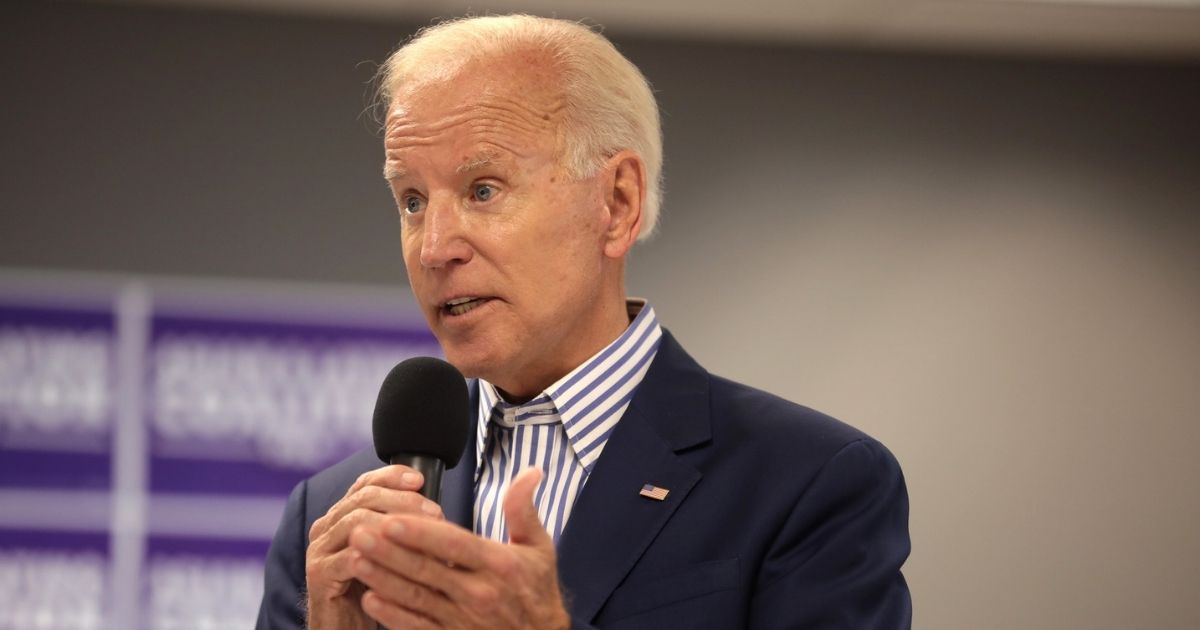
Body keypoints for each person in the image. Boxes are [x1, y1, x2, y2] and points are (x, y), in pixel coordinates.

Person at [257, 14, 911, 630]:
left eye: (483, 190)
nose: (435, 248)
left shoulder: (810, 483)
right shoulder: (331, 516)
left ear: (617, 202)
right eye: (412, 201)